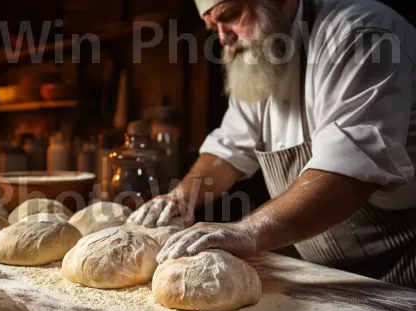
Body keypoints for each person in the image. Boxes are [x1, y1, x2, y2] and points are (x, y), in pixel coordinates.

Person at [127, 0, 416, 288]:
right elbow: (228, 150)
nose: (223, 37)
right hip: (324, 273)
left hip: (399, 268)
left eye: (230, 16)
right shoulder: (260, 53)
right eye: (214, 26)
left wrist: (248, 231)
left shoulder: (361, 34)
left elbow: (348, 173)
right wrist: (180, 198)